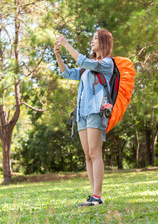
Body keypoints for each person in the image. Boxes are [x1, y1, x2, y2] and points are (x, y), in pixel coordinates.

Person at [54, 29, 114, 207]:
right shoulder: (86, 68)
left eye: (95, 38)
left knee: (95, 153)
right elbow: (67, 73)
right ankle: (94, 195)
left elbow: (82, 60)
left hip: (96, 111)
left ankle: (98, 195)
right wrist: (58, 56)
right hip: (81, 114)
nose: (92, 41)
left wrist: (66, 44)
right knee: (88, 155)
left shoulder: (107, 63)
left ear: (103, 42)